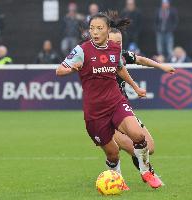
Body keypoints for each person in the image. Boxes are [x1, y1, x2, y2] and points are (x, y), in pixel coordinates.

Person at [56, 12, 163, 189]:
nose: (95, 32)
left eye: (99, 28)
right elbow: (59, 70)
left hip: (116, 102)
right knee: (113, 154)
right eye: (92, 28)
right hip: (95, 112)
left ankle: (146, 171)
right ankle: (117, 179)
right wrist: (71, 69)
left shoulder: (114, 48)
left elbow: (120, 69)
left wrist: (135, 87)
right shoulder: (81, 50)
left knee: (138, 135)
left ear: (107, 30)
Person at [107, 11, 175, 176]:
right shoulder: (98, 60)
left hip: (123, 110)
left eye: (119, 42)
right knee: (131, 147)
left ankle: (141, 167)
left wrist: (162, 66)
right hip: (106, 113)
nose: (117, 46)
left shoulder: (122, 57)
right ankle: (145, 172)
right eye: (113, 42)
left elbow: (141, 60)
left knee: (149, 148)